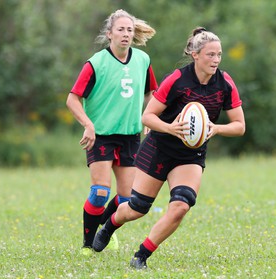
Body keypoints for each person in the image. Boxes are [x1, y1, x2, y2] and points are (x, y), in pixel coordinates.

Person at [92, 27, 246, 269]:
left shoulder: (224, 83)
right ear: (195, 54)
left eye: (219, 55)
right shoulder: (176, 79)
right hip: (159, 148)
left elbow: (239, 126)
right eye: (210, 55)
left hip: (190, 155)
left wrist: (215, 129)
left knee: (181, 205)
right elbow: (148, 117)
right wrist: (171, 128)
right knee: (136, 209)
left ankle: (140, 256)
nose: (216, 60)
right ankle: (110, 224)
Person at [66, 9, 158, 254]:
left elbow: (152, 94)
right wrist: (88, 124)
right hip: (102, 135)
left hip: (130, 136)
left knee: (128, 199)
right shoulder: (96, 63)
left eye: (129, 29)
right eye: (120, 29)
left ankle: (104, 229)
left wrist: (149, 117)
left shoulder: (142, 60)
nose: (126, 34)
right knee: (99, 192)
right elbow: (72, 99)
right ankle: (88, 244)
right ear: (109, 34)